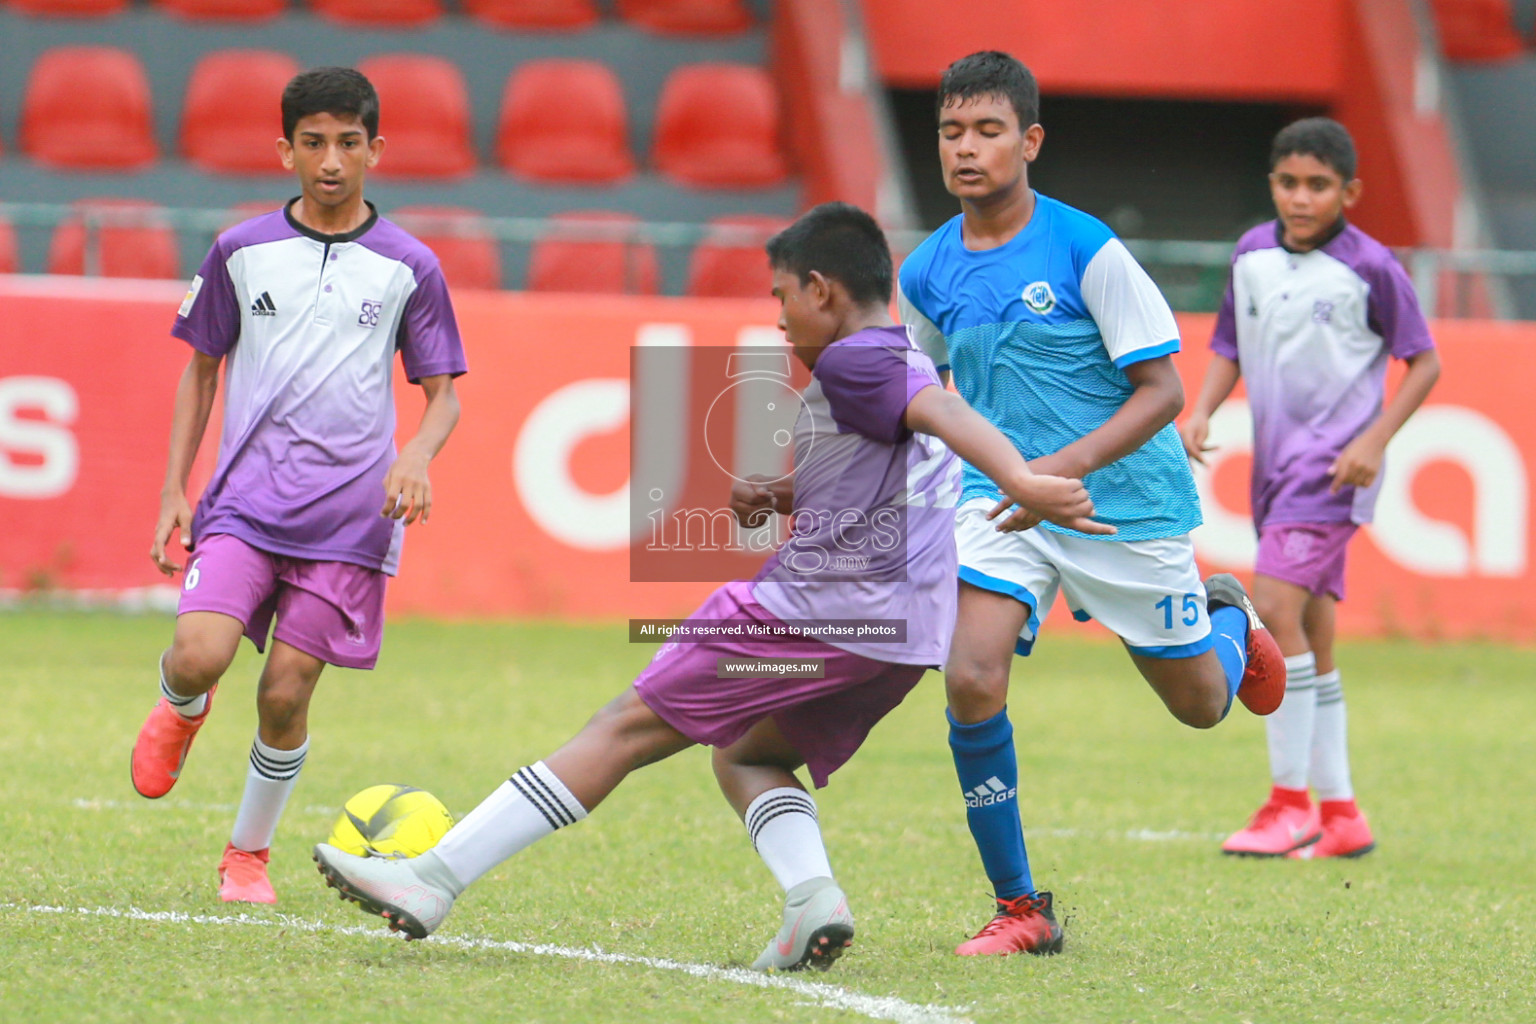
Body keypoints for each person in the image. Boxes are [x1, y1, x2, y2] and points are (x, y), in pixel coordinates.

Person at [312, 202, 1110, 972]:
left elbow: (941, 415)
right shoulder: (902, 355)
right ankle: (811, 902)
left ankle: (433, 878)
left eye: (783, 296)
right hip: (898, 639)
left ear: (823, 289)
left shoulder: (858, 358)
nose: (779, 318)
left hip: (806, 613)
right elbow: (899, 460)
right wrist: (782, 495)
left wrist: (1024, 480)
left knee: (623, 727)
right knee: (745, 755)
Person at [895, 50, 1288, 957]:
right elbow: (923, 393)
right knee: (969, 676)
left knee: (1199, 707)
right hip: (1001, 506)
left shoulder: (1086, 250)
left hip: (1121, 506)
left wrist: (1056, 473)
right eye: (952, 131)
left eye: (988, 130)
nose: (967, 148)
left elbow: (1162, 391)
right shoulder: (925, 271)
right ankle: (1022, 908)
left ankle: (1229, 618)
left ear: (1029, 141)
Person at [131, 66, 467, 904]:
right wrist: (175, 488)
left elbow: (445, 396)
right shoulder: (240, 250)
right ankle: (182, 702)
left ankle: (247, 856)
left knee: (285, 695)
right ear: (285, 150)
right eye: (312, 142)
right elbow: (200, 370)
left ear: (375, 151)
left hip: (350, 522)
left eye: (348, 143)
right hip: (244, 503)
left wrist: (418, 455)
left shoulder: (410, 266)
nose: (330, 160)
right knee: (201, 654)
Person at [1180, 117, 1440, 860]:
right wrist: (1200, 410)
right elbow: (1229, 342)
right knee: (1315, 637)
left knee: (1273, 606)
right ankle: (1344, 813)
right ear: (1272, 185)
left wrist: (1373, 439)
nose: (1301, 197)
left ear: (1348, 192)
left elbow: (1424, 362)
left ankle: (1288, 803)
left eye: (1318, 185)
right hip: (1274, 470)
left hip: (1332, 473)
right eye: (1289, 183)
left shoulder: (1373, 268)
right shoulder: (1252, 255)